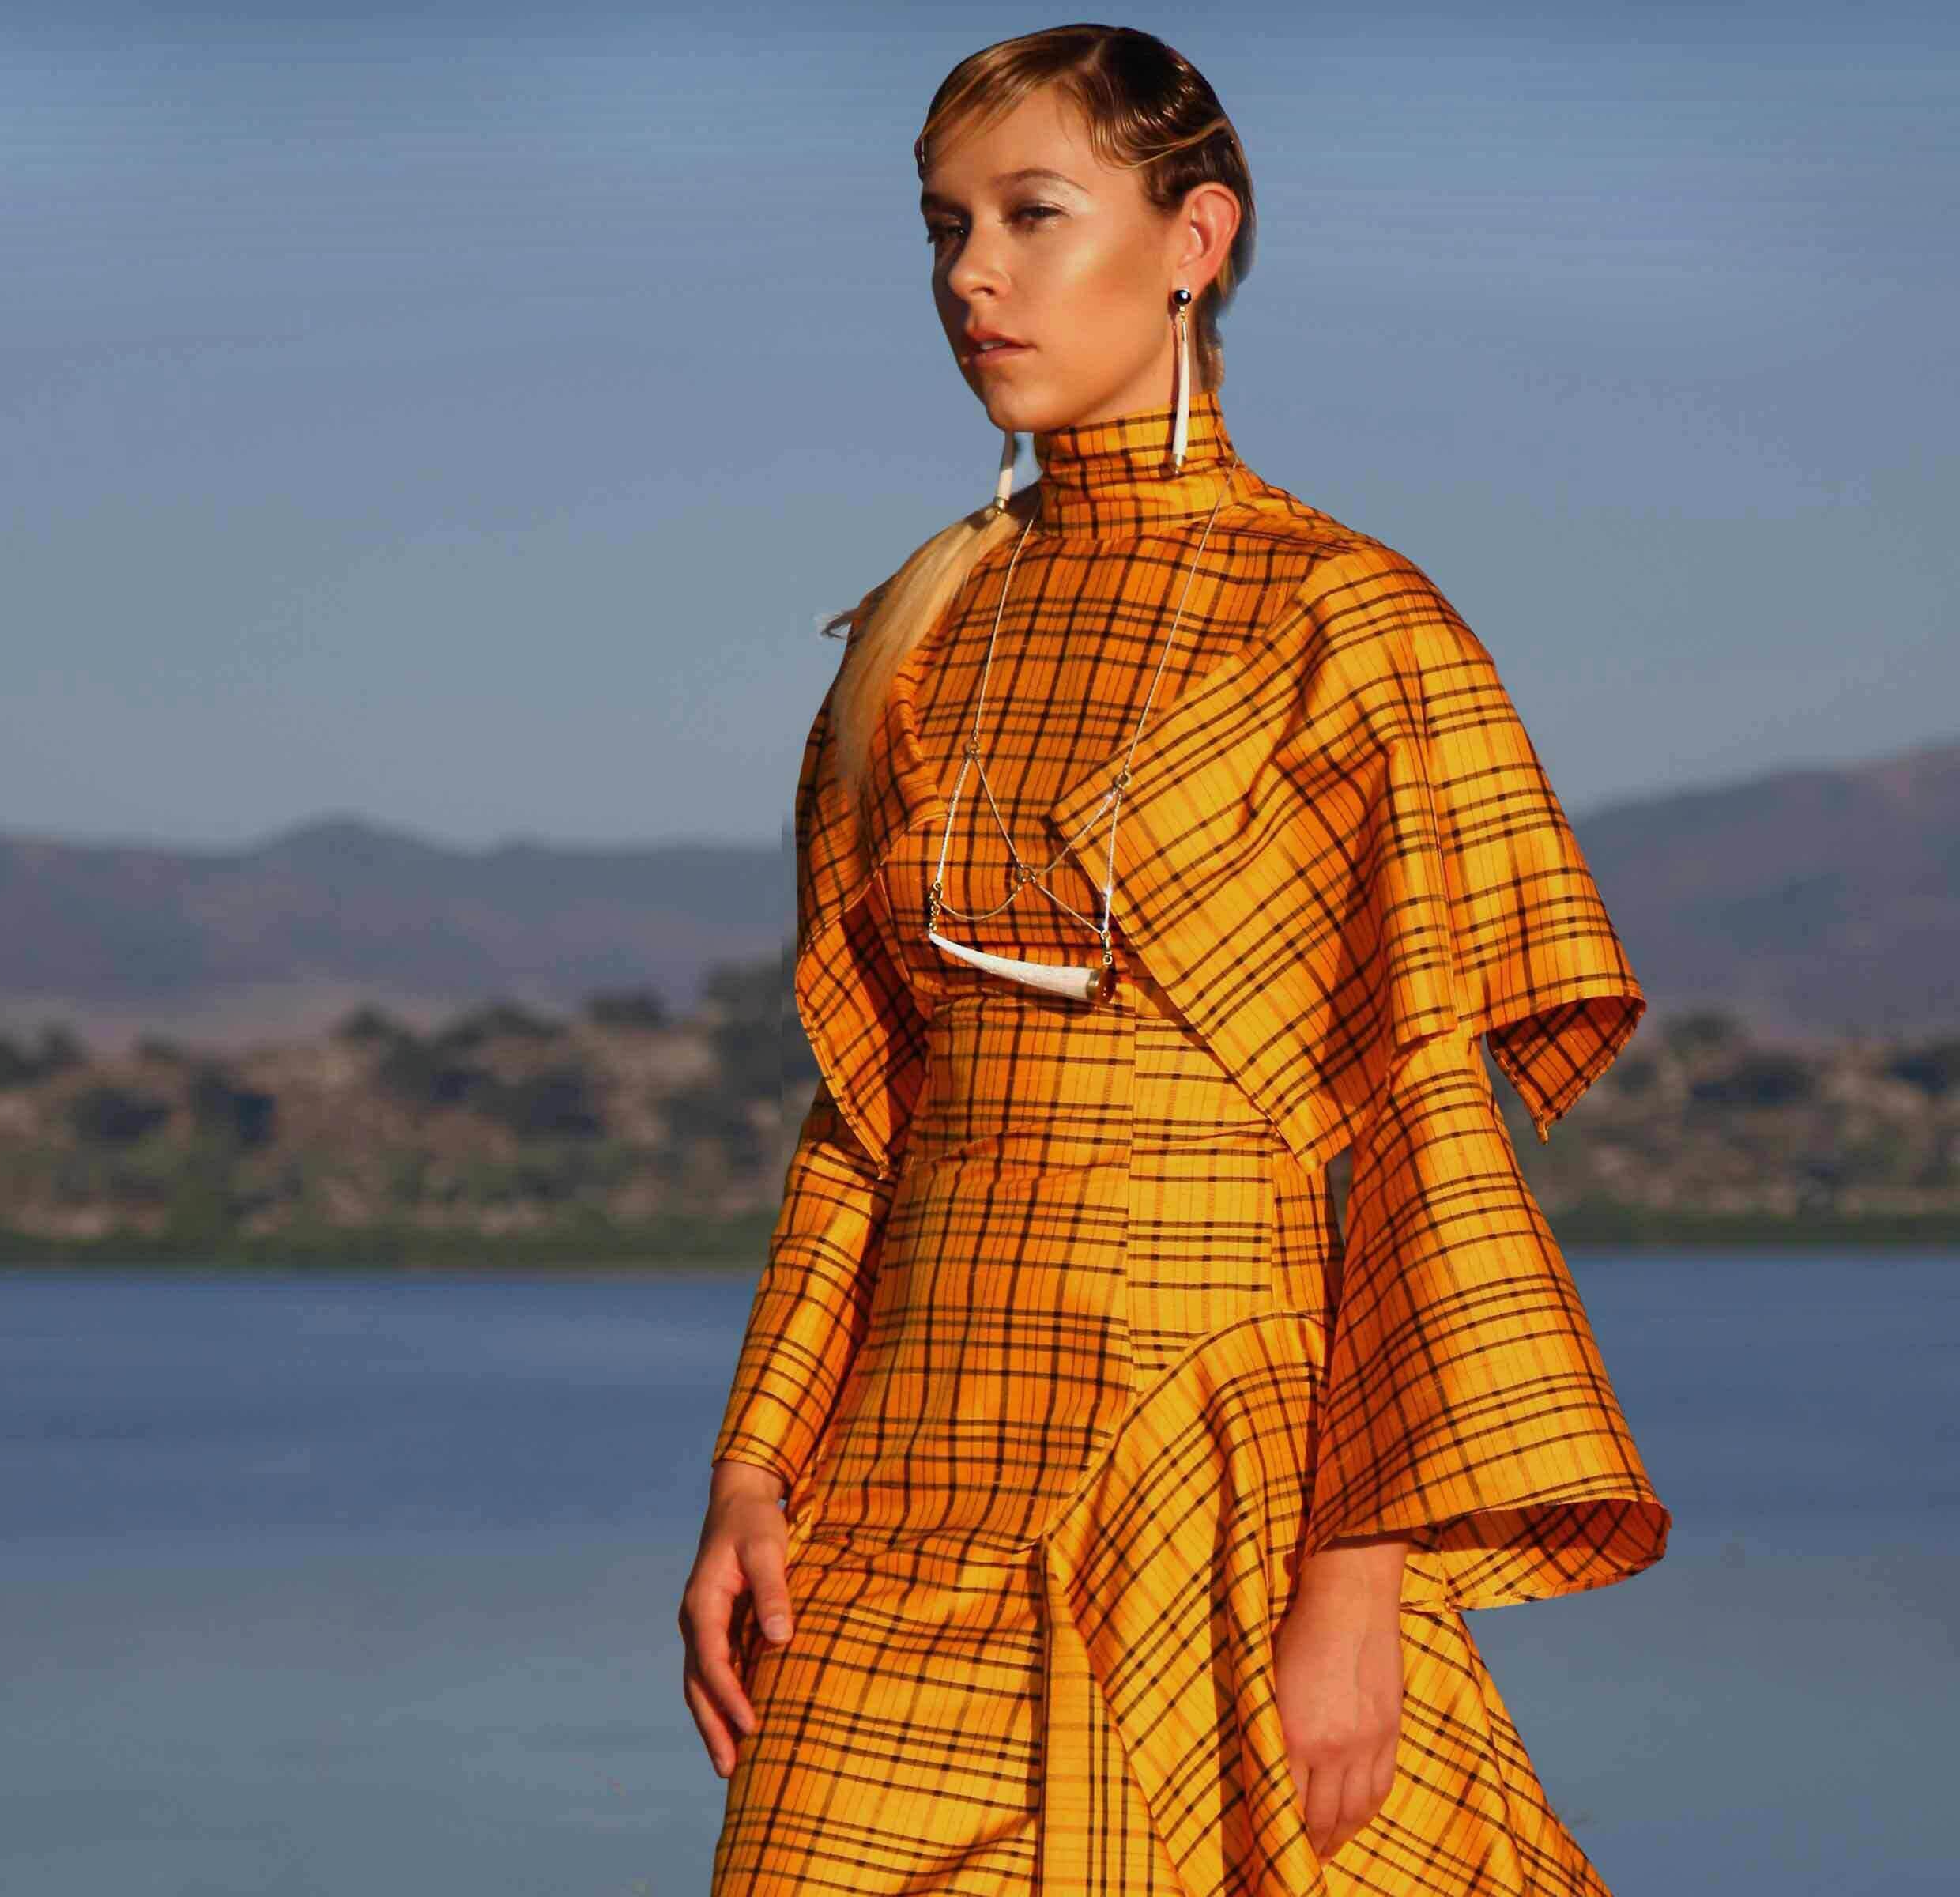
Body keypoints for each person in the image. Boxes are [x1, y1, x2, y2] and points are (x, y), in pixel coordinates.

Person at [680, 25, 1672, 1896]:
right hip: (898, 1467)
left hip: (1216, 1454)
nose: (974, 274)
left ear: (1193, 237)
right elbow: (864, 1116)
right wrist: (752, 1467)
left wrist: (1357, 1582)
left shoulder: (1343, 623)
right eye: (944, 227)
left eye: (1034, 216)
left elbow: (1419, 1137)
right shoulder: (913, 631)